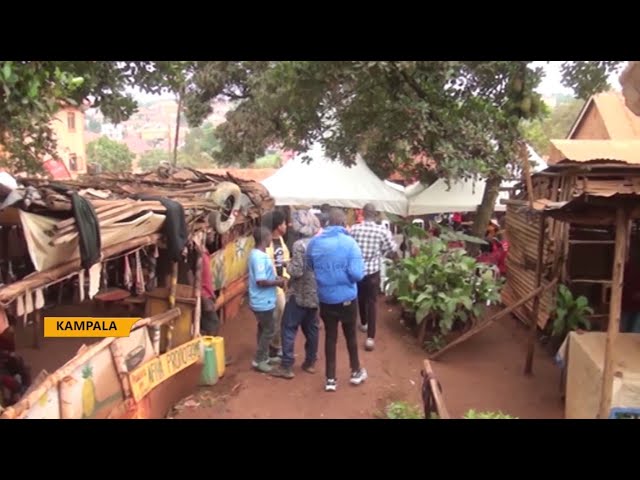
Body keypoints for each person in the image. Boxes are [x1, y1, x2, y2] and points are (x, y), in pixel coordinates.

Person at [307, 208, 367, 392]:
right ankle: (356, 371)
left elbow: (310, 265)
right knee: (350, 336)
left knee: (330, 337)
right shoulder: (350, 244)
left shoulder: (314, 243)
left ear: (327, 223)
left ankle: (330, 379)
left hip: (325, 298)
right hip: (347, 298)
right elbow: (358, 274)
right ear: (343, 224)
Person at [270, 213, 321, 379]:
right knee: (312, 328)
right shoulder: (319, 242)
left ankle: (286, 365)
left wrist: (288, 265)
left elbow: (297, 271)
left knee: (288, 327)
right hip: (316, 293)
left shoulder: (299, 245)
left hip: (299, 294)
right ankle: (310, 362)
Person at [350, 204, 398, 351]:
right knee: (372, 302)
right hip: (373, 272)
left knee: (360, 298)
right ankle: (370, 338)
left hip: (358, 271)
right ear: (375, 214)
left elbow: (349, 248)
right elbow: (391, 249)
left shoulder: (354, 229)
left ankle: (363, 323)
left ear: (363, 214)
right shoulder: (382, 231)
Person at [248, 227, 287, 373]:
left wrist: (275, 279)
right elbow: (261, 281)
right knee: (269, 329)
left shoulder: (257, 254)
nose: (272, 239)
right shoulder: (259, 257)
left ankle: (264, 357)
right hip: (262, 301)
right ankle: (258, 360)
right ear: (264, 239)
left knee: (263, 328)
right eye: (270, 237)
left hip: (264, 299)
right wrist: (278, 283)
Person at [198, 230, 232, 365]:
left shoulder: (204, 251)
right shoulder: (198, 253)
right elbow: (193, 275)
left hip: (207, 294)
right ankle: (210, 358)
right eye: (209, 233)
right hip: (204, 296)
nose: (212, 236)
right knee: (213, 325)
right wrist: (202, 296)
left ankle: (211, 358)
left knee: (208, 327)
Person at [262, 210, 290, 363]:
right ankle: (271, 349)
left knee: (280, 316)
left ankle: (274, 346)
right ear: (278, 226)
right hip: (273, 286)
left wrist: (286, 277)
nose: (286, 225)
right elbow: (268, 266)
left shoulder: (281, 240)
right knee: (276, 316)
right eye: (284, 223)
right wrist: (279, 280)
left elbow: (285, 259)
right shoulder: (267, 244)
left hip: (282, 284)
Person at [621, 246, 640, 333]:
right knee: (624, 331)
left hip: (636, 307)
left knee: (634, 332)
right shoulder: (627, 267)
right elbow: (622, 284)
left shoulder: (628, 266)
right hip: (626, 304)